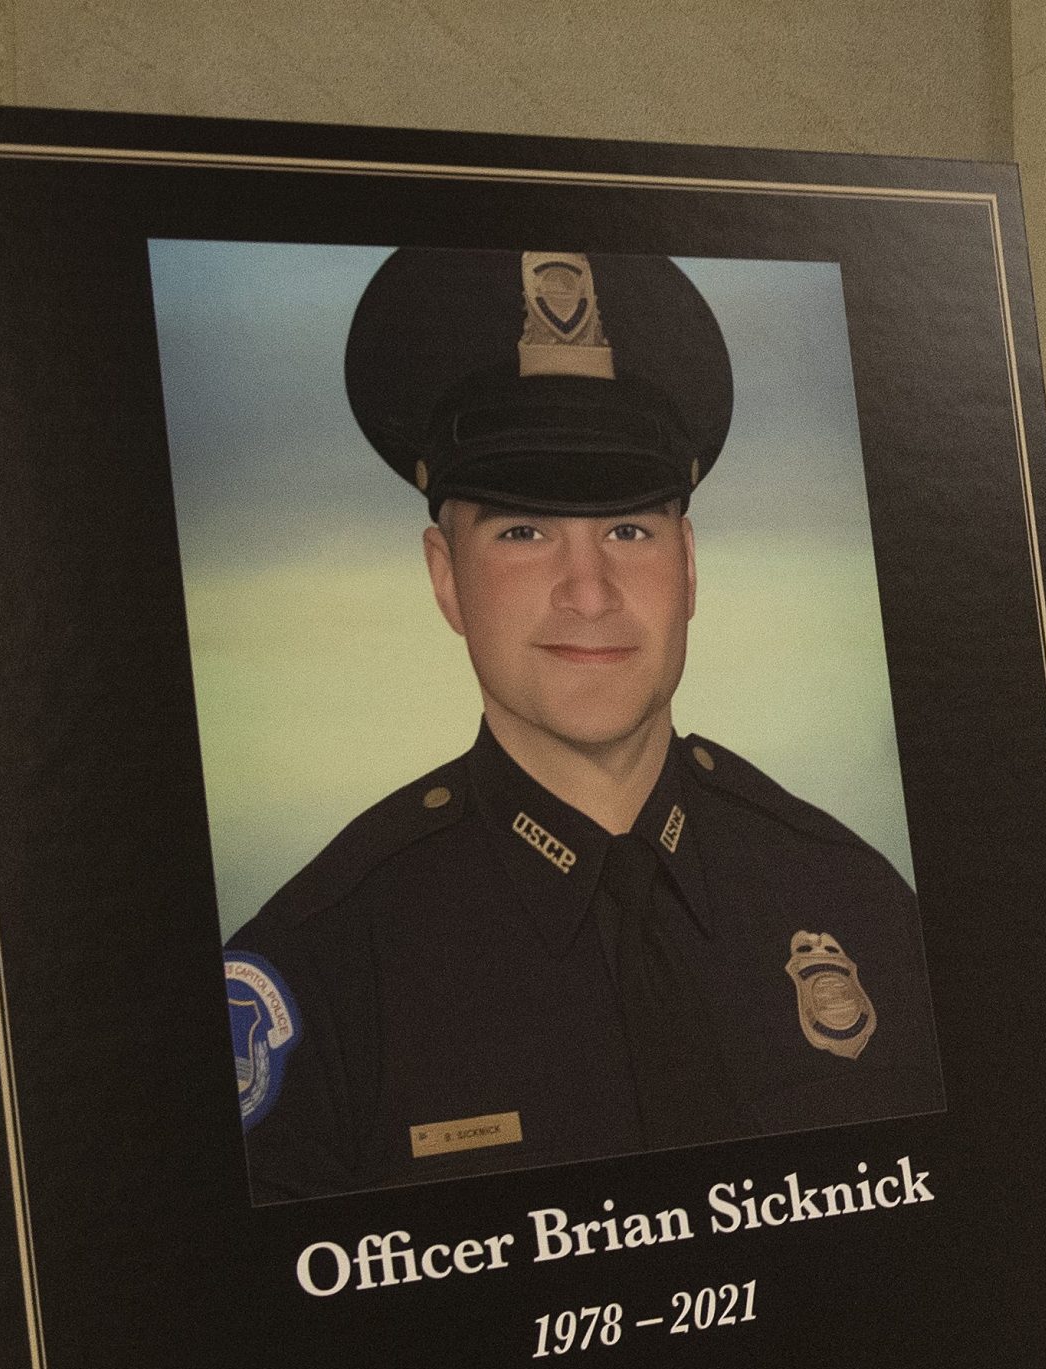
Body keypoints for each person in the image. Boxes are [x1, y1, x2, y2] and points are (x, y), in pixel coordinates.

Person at [222, 249, 941, 1202]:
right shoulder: (320, 970)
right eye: (523, 532)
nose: (589, 592)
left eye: (628, 530)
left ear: (689, 565)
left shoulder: (860, 904)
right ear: (446, 577)